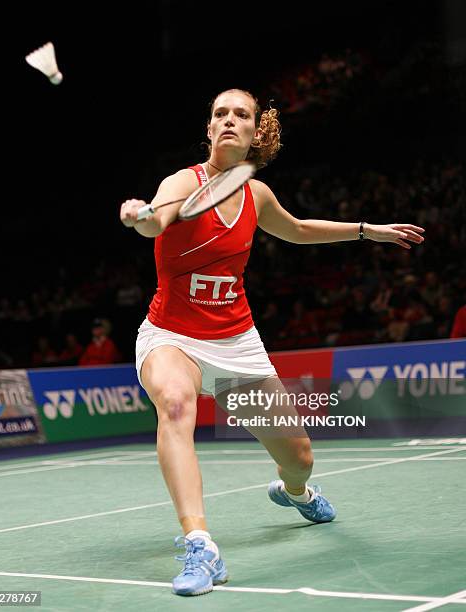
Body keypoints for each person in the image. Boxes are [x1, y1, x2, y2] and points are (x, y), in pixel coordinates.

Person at [119, 88, 425, 597]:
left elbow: (300, 230)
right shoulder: (183, 181)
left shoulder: (257, 196)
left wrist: (369, 230)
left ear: (256, 130)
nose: (229, 120)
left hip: (236, 343)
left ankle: (295, 492)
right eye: (220, 114)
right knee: (174, 405)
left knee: (299, 456)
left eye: (241, 114)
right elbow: (158, 220)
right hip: (172, 335)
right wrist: (139, 216)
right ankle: (200, 545)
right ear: (210, 128)